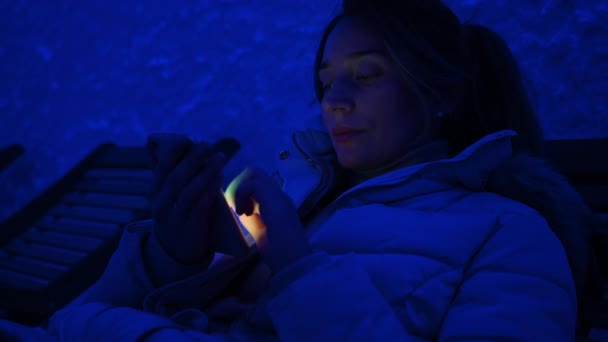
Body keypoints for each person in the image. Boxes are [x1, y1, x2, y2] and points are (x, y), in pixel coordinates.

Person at [46, 0, 594, 340]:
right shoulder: (302, 199)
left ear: (439, 93)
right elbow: (81, 315)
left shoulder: (511, 233)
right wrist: (170, 255)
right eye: (327, 81)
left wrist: (298, 268)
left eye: (366, 74)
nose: (335, 100)